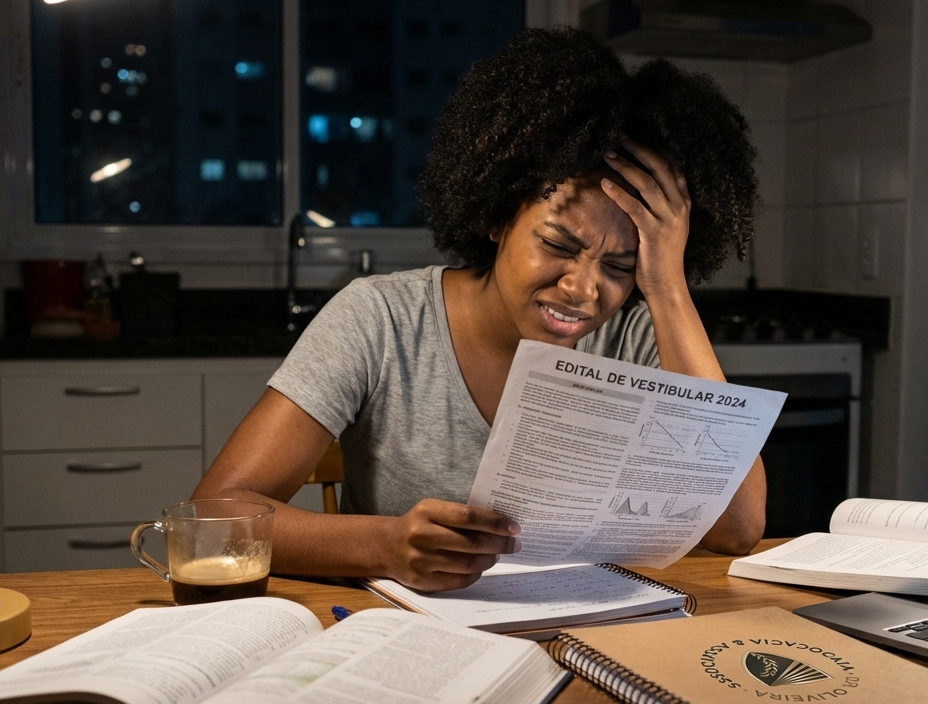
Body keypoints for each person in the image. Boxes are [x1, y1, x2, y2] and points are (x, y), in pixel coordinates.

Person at [193, 27, 763, 592]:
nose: (585, 289)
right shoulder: (381, 321)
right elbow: (216, 517)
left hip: (586, 638)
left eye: (620, 267)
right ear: (497, 217)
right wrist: (384, 546)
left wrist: (667, 287)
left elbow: (739, 528)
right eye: (559, 245)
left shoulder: (638, 338)